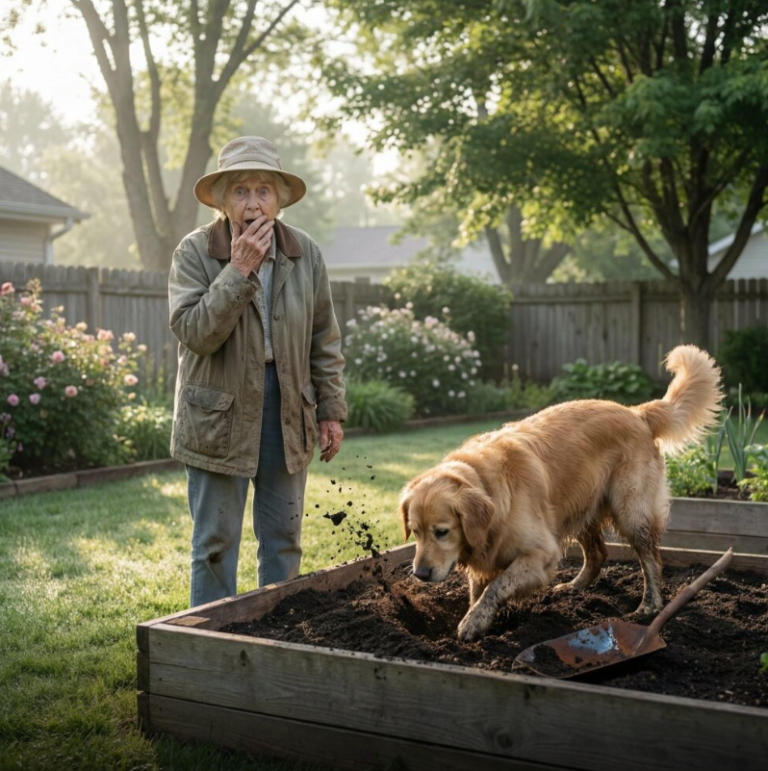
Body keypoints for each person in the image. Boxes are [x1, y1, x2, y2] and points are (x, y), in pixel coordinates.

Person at [168, 136, 346, 607]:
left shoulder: (305, 253)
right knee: (214, 545)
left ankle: (277, 638)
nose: (253, 203)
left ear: (280, 200)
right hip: (218, 411)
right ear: (223, 199)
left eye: (263, 190)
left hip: (288, 407)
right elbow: (195, 332)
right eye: (241, 191)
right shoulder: (195, 252)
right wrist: (238, 269)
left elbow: (324, 338)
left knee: (284, 538)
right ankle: (208, 645)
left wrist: (330, 410)